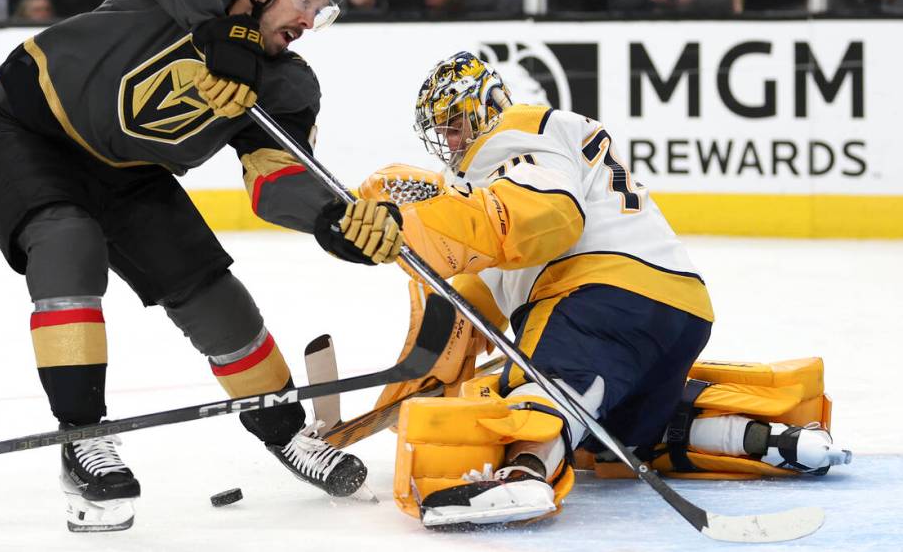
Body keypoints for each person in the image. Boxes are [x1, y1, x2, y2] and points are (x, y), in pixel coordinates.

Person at [0, 0, 404, 532]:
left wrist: (333, 219)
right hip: (29, 132)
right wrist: (214, 31)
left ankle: (285, 433)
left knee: (216, 298)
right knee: (68, 240)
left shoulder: (285, 83)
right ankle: (84, 439)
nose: (309, 22)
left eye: (322, 12)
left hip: (130, 173)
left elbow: (275, 182)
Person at [359, 52, 850, 528]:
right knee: (619, 435)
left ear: (489, 104)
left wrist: (431, 217)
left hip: (599, 293)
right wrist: (412, 386)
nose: (451, 137)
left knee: (549, 387)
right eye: (441, 128)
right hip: (679, 308)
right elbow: (470, 306)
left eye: (456, 120)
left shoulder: (516, 133)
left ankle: (524, 473)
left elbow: (547, 216)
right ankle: (767, 439)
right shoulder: (499, 177)